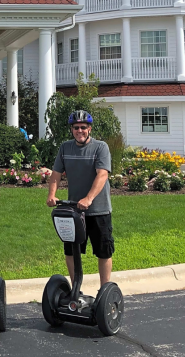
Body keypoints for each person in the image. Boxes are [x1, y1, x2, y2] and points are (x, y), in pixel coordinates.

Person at [46, 110, 114, 287]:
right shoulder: (65, 148)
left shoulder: (100, 147)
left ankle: (104, 290)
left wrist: (89, 198)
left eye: (83, 127)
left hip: (99, 209)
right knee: (71, 250)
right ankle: (76, 289)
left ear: (89, 128)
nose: (80, 131)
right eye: (76, 127)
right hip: (74, 212)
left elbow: (102, 175)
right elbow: (55, 174)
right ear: (72, 129)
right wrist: (51, 195)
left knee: (103, 251)